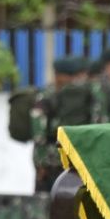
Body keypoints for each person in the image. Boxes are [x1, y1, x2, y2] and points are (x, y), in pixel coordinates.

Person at [30, 56, 93, 192]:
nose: (72, 80)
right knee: (46, 201)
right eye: (68, 76)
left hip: (67, 160)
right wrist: (40, 163)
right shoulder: (46, 96)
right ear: (58, 76)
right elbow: (38, 133)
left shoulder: (76, 96)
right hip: (48, 162)